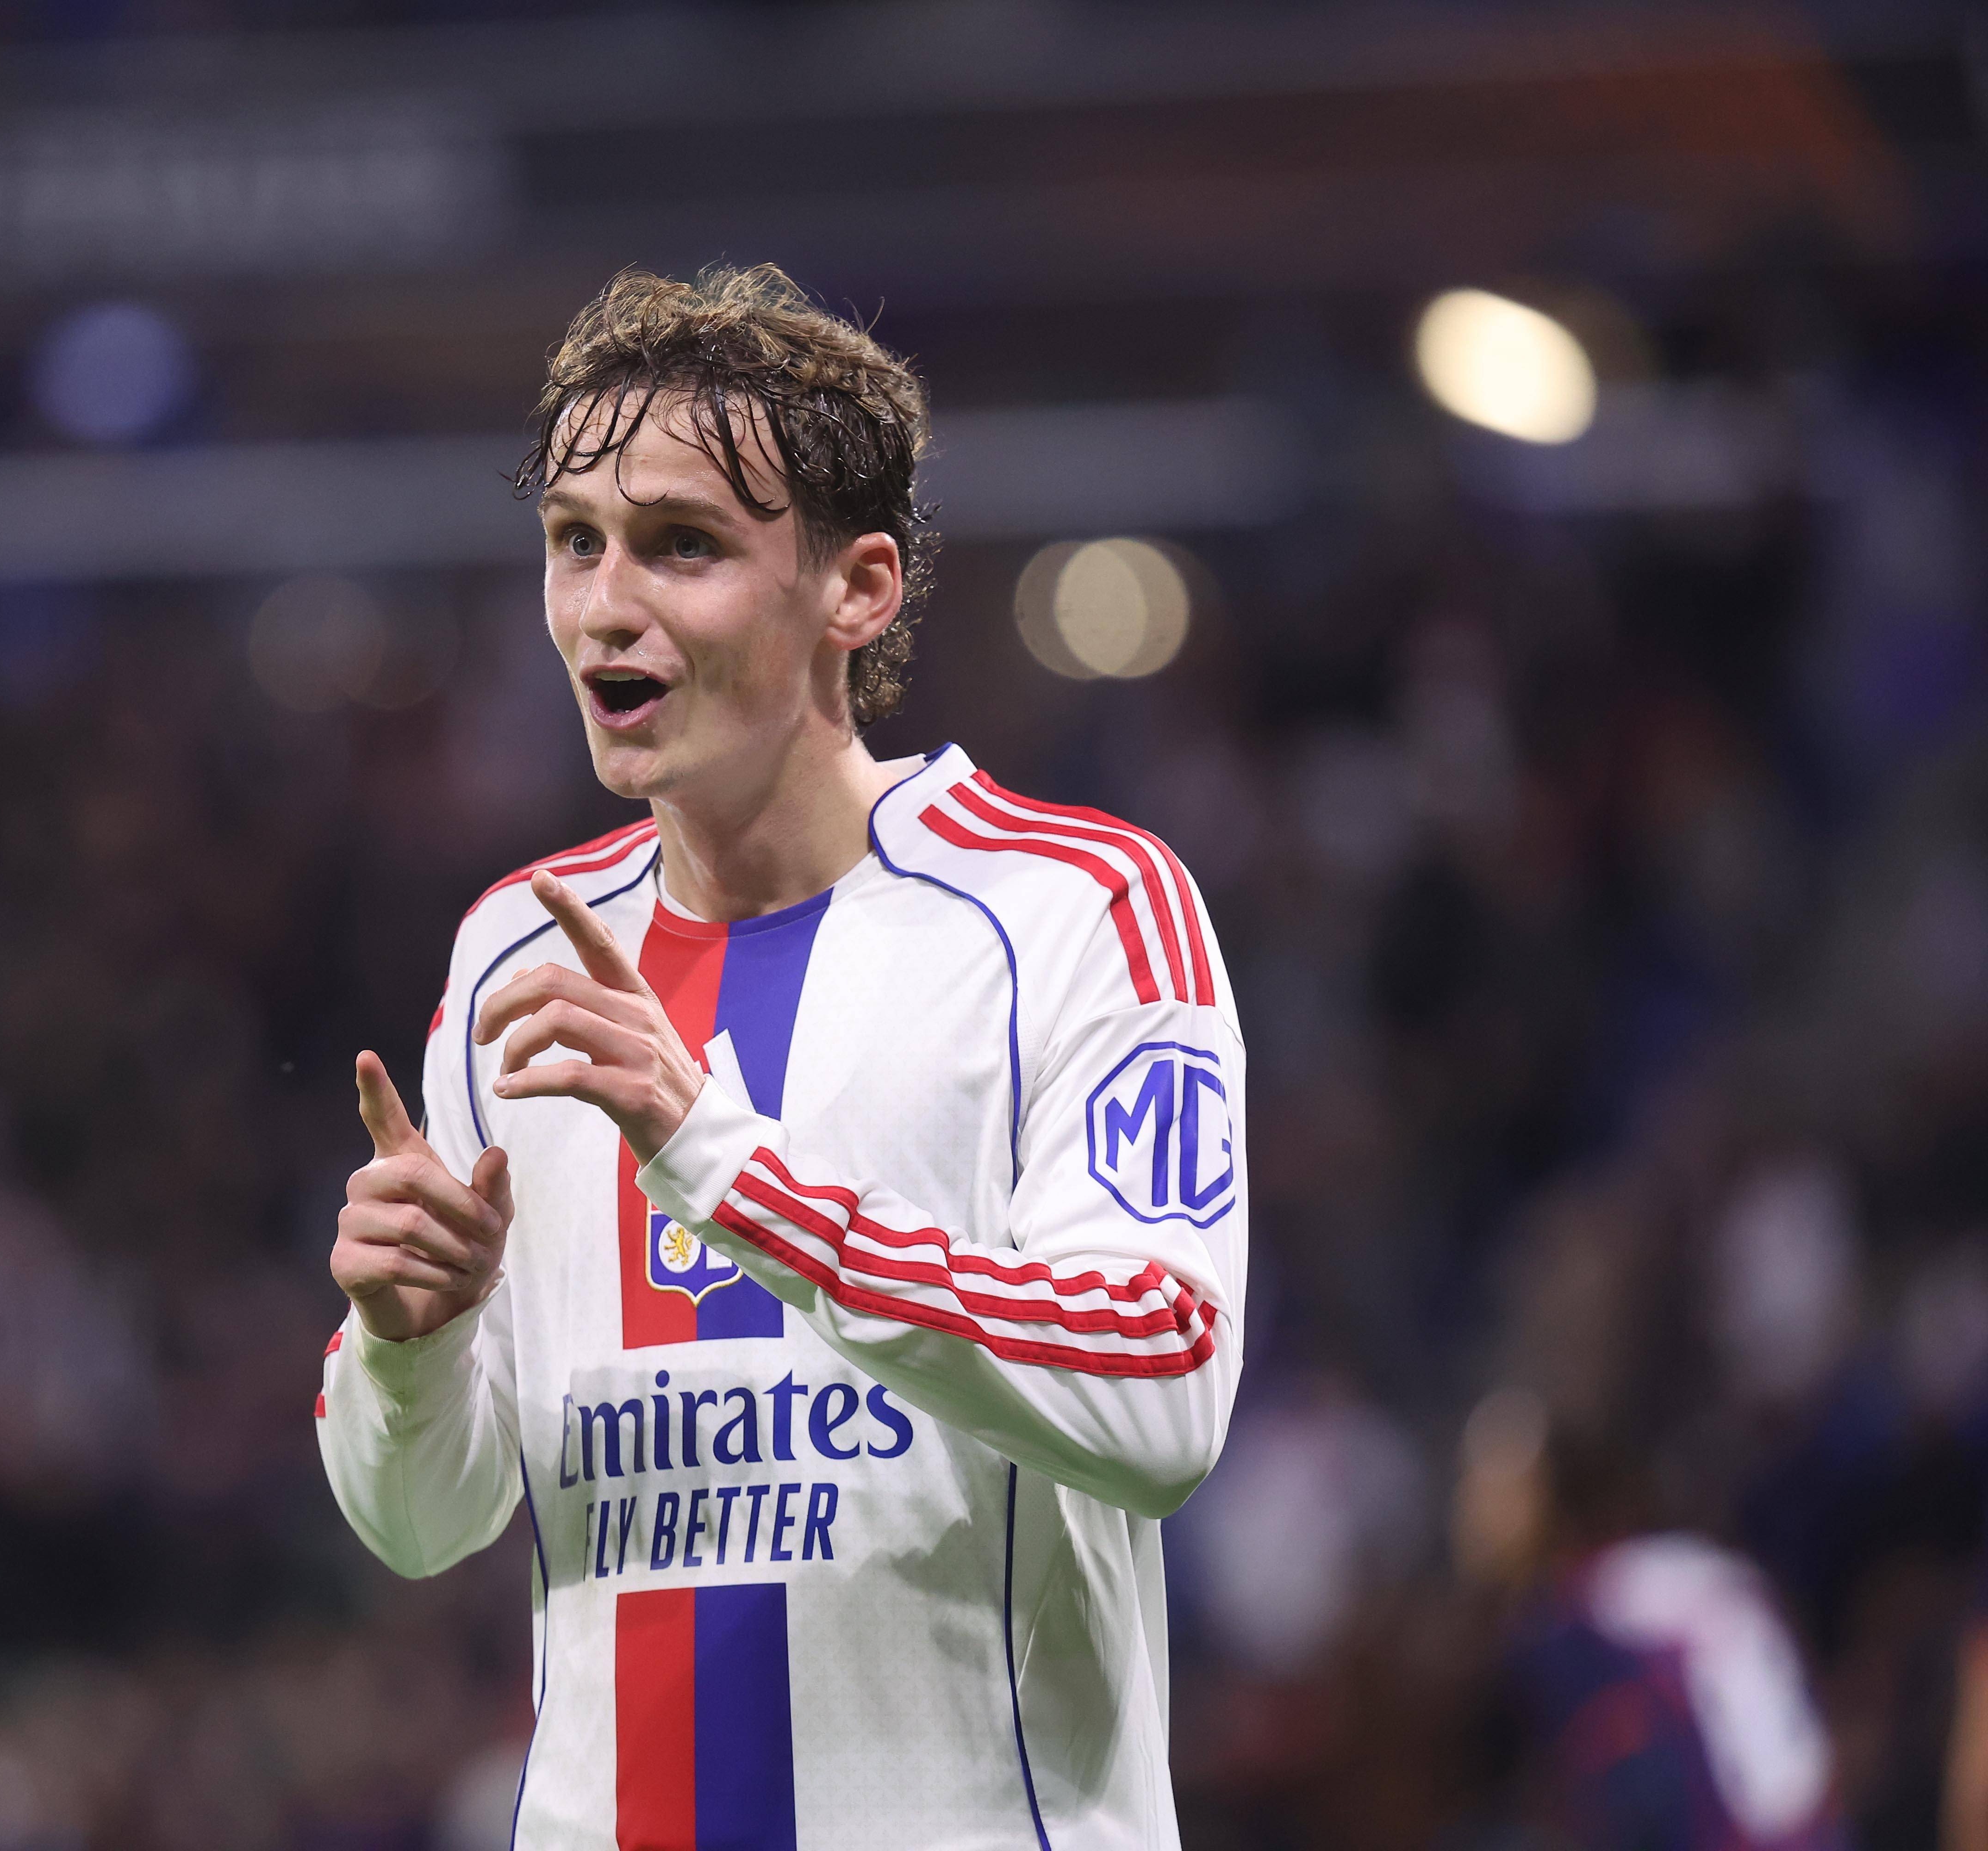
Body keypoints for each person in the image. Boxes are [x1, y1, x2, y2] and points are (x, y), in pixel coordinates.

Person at [314, 264, 1247, 1847]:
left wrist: (723, 1163)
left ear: (857, 589)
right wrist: (409, 1351)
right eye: (575, 542)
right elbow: (424, 1523)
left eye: (682, 544)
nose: (606, 604)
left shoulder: (1077, 910)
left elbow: (1161, 1390)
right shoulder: (515, 954)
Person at [1451, 1388, 1848, 1851]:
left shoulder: (1602, 1613)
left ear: (1550, 1496)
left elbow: (1759, 1774)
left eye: (1496, 1490)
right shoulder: (1667, 1577)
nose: (1474, 1511)